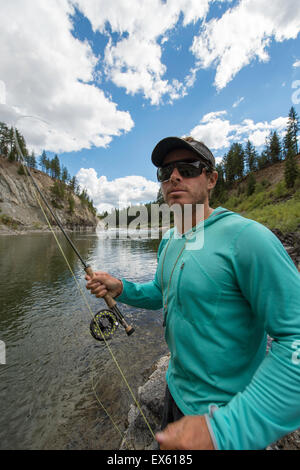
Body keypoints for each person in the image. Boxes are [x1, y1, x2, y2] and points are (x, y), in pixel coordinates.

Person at [86, 136, 300, 450]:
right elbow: (162, 293)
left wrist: (224, 431)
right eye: (165, 171)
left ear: (211, 179)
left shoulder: (248, 237)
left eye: (187, 168)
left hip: (225, 414)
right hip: (176, 391)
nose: (174, 177)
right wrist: (122, 288)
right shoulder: (170, 239)